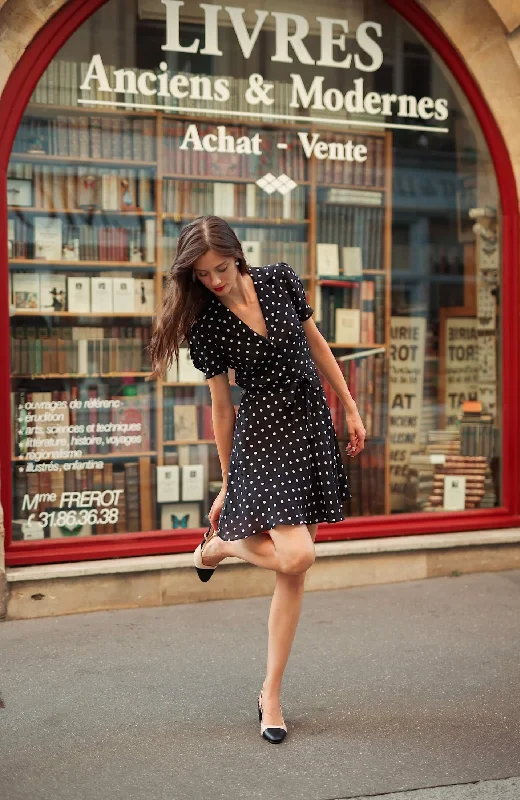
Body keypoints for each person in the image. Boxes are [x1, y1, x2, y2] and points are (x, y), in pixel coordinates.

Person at [150, 215, 366, 744]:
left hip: (310, 426)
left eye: (220, 268)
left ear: (237, 256)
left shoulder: (281, 280)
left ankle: (270, 694)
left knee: (292, 574)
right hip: (263, 440)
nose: (214, 281)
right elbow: (222, 411)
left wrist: (350, 407)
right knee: (297, 555)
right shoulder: (209, 327)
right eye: (201, 275)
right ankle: (221, 543)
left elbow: (317, 345)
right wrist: (230, 482)